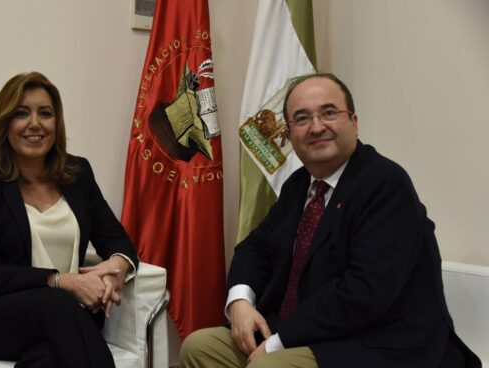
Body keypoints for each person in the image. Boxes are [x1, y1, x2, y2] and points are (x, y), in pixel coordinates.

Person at [180, 73, 481, 368]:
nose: (316, 127)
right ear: (289, 133)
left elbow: (363, 294)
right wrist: (240, 302)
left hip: (378, 344)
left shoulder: (385, 185)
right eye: (301, 118)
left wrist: (275, 343)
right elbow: (256, 247)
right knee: (200, 347)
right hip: (309, 334)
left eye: (328, 113)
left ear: (354, 121)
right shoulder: (299, 186)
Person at [0, 71, 138, 368]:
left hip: (62, 320)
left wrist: (116, 267)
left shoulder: (77, 173)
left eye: (45, 113)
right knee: (58, 305)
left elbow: (117, 239)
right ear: (4, 123)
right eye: (21, 113)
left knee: (47, 358)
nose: (35, 123)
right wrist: (63, 281)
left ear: (56, 123)